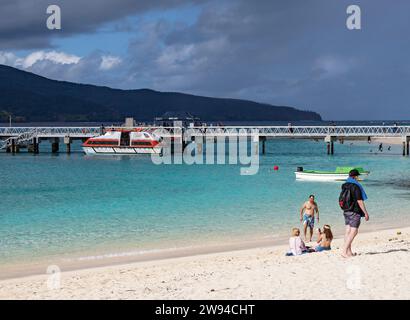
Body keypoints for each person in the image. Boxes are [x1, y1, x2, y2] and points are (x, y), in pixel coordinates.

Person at [340, 169, 370, 258]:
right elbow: (359, 201)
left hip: (346, 210)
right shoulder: (356, 186)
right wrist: (365, 213)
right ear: (355, 176)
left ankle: (349, 252)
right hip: (354, 211)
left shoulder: (344, 185)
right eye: (357, 176)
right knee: (354, 231)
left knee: (348, 231)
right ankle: (344, 251)